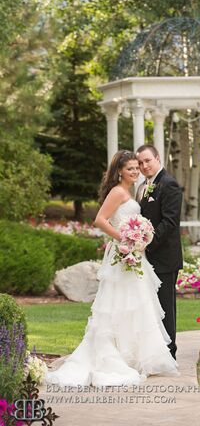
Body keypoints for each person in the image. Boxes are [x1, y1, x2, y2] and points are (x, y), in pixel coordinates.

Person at [46, 150, 178, 387]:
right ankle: (116, 356)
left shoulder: (134, 191)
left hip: (134, 255)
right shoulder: (118, 192)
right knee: (119, 304)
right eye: (131, 168)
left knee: (135, 304)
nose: (136, 171)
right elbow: (99, 220)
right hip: (123, 254)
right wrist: (124, 239)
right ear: (119, 171)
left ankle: (134, 356)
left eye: (138, 167)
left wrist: (138, 238)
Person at [136, 145, 183, 360]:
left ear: (157, 158)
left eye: (147, 161)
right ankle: (155, 352)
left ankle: (169, 354)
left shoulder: (169, 184)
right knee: (151, 307)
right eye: (140, 163)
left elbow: (170, 222)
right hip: (148, 258)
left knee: (165, 308)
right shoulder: (144, 186)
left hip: (164, 258)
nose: (144, 166)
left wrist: (147, 242)